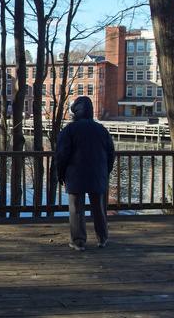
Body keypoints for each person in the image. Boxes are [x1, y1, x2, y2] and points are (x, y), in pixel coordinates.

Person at [56, 96, 115, 251]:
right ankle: (102, 238)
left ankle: (78, 241)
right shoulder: (101, 130)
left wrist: (60, 173)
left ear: (76, 111)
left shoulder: (69, 130)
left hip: (75, 174)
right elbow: (111, 154)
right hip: (97, 174)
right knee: (99, 208)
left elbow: (62, 154)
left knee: (76, 209)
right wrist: (105, 172)